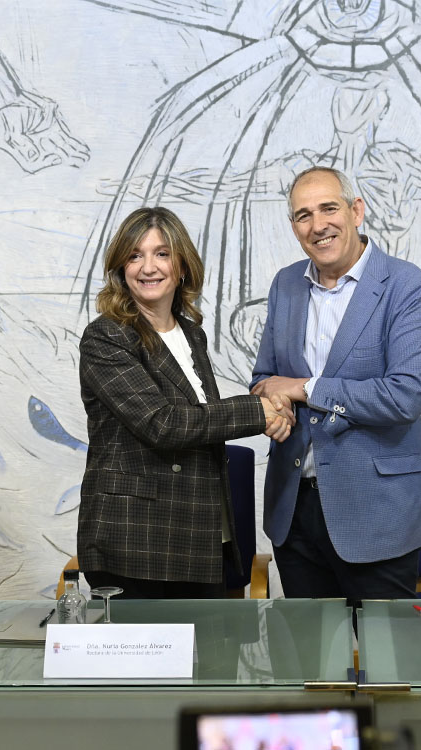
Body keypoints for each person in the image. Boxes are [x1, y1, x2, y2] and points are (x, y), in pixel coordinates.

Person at [77, 207, 294, 598]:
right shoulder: (106, 337)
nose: (148, 267)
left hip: (201, 534)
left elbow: (202, 422)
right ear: (121, 269)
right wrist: (258, 412)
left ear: (181, 266)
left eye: (161, 254)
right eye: (135, 256)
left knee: (209, 642)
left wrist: (271, 413)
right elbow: (163, 424)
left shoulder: (192, 334)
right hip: (136, 542)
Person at [251, 166, 421, 604]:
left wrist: (305, 389)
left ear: (356, 211)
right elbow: (264, 379)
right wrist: (274, 402)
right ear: (294, 226)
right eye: (303, 215)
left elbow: (404, 396)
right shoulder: (285, 284)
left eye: (328, 208)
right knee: (310, 648)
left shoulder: (405, 284)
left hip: (377, 512)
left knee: (385, 648)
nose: (318, 225)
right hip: (294, 511)